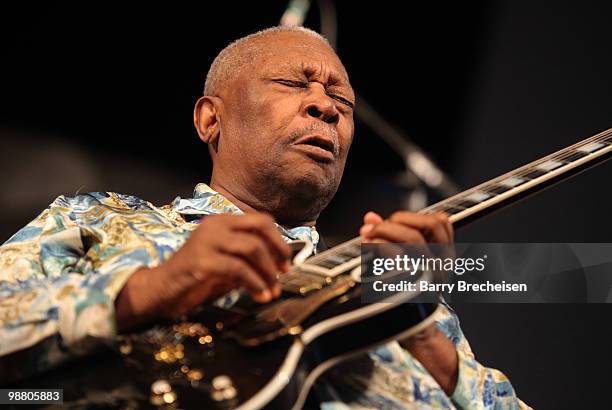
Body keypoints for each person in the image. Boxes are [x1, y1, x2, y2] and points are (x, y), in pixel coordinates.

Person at [0, 26, 529, 409]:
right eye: (295, 84)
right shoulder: (93, 219)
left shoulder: (401, 298)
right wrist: (150, 290)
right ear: (212, 118)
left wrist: (423, 338)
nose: (327, 107)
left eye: (341, 100)